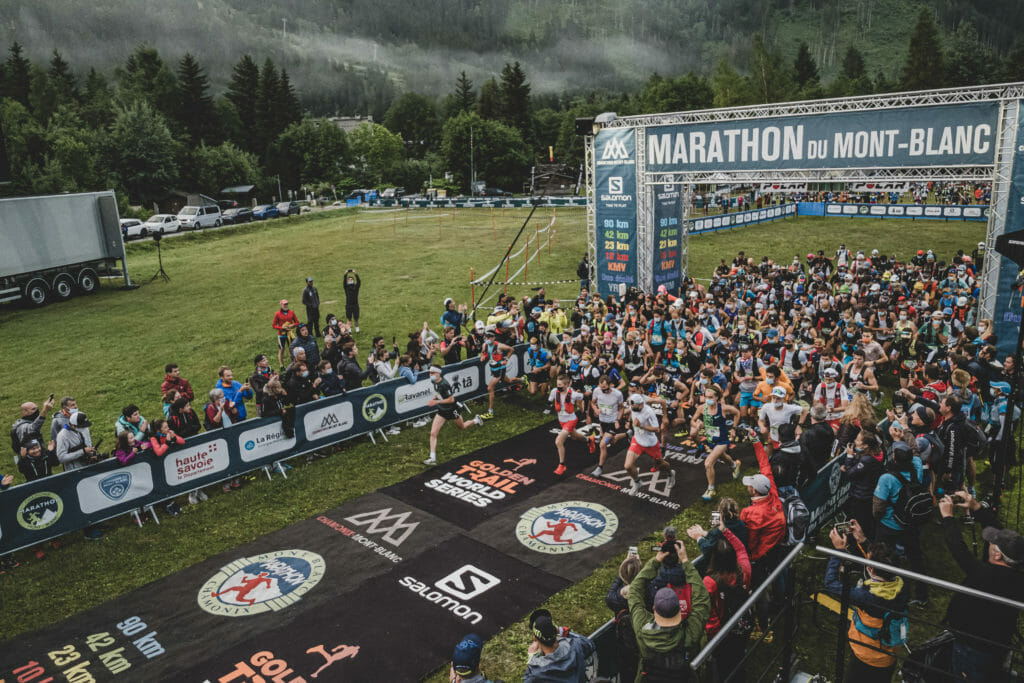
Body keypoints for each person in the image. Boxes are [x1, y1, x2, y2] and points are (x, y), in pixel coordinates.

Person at [939, 491, 1024, 682]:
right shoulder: (1017, 577)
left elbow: (959, 549)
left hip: (972, 648)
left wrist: (948, 518)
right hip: (998, 643)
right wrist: (976, 507)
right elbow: (1001, 534)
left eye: (992, 545)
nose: (989, 545)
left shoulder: (985, 575)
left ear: (997, 555)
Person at [824, 529, 908, 683]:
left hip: (866, 656)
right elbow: (881, 565)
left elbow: (831, 584)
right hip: (889, 657)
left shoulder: (867, 597)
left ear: (870, 570)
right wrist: (863, 540)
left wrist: (839, 552)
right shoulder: (901, 583)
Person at [627, 540, 710, 680]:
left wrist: (656, 560)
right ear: (679, 609)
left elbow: (634, 590)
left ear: (654, 608)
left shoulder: (642, 627)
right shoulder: (690, 634)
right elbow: (702, 599)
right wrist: (685, 561)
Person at [872, 441, 928, 605]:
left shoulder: (886, 478)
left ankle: (881, 592)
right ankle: (922, 595)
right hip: (911, 523)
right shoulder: (916, 467)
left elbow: (878, 506)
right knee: (916, 558)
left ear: (894, 457)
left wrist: (877, 518)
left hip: (889, 524)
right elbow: (917, 453)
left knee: (881, 557)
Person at [424, 366, 482, 465]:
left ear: (438, 373)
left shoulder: (444, 384)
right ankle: (432, 458)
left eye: (432, 373)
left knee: (462, 427)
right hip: (442, 410)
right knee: (433, 433)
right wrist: (435, 398)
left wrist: (436, 402)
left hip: (452, 409)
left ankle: (476, 420)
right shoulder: (434, 382)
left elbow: (451, 400)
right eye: (430, 373)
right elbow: (438, 392)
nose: (430, 375)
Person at [692, 385, 741, 502]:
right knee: (723, 457)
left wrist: (734, 428)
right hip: (710, 440)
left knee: (708, 463)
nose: (707, 399)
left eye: (710, 397)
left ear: (717, 397)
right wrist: (697, 425)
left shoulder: (723, 408)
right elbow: (693, 420)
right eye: (706, 396)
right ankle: (735, 465)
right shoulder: (701, 408)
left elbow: (737, 413)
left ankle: (711, 488)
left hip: (722, 441)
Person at [523, 609, 595, 683]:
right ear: (555, 632)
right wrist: (563, 631)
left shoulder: (537, 672)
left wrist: (531, 657)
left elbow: (527, 680)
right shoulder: (575, 646)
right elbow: (589, 644)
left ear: (535, 638)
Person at [623, 393, 674, 494]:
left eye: (634, 407)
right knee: (627, 466)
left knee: (660, 464)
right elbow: (627, 410)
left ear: (641, 404)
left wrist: (641, 426)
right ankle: (637, 482)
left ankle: (670, 473)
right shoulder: (633, 406)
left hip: (650, 443)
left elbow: (656, 429)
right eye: (631, 406)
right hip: (637, 440)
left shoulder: (649, 412)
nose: (632, 408)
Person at [549, 374, 588, 476]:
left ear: (566, 385)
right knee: (575, 436)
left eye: (560, 385)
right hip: (562, 421)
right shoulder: (554, 391)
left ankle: (562, 465)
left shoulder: (574, 394)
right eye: (557, 384)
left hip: (571, 420)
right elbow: (549, 401)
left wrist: (582, 407)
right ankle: (589, 440)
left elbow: (585, 396)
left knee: (558, 442)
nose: (558, 387)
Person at [479, 330, 522, 419]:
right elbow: (483, 353)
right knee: (508, 381)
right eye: (485, 338)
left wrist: (506, 359)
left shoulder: (499, 346)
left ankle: (490, 412)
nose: (486, 339)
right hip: (493, 368)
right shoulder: (485, 345)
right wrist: (482, 356)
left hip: (500, 369)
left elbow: (511, 349)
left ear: (493, 338)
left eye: (488, 338)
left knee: (490, 388)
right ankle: (522, 379)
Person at [590, 375, 627, 476]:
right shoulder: (597, 391)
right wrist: (596, 409)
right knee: (612, 440)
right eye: (601, 388)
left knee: (602, 444)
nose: (603, 390)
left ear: (610, 385)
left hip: (612, 422)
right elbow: (592, 403)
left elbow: (621, 408)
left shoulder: (617, 394)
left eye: (605, 388)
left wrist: (618, 420)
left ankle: (600, 468)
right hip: (603, 422)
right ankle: (627, 434)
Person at [11, 396, 55, 460]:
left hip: (39, 458)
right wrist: (45, 410)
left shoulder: (29, 422)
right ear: (24, 412)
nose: (37, 411)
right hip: (28, 463)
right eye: (33, 409)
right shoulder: (21, 427)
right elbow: (34, 428)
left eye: (37, 408)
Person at [273, 299, 300, 367]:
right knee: (281, 350)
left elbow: (297, 322)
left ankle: (293, 362)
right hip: (281, 335)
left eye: (287, 304)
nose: (286, 305)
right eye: (284, 304)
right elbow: (274, 325)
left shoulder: (291, 312)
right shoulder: (277, 314)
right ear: (281, 305)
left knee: (291, 349)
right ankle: (281, 365)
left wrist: (293, 325)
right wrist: (282, 328)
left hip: (290, 334)